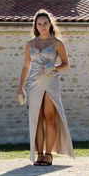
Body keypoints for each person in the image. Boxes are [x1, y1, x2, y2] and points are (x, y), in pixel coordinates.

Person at [16, 9, 74, 165]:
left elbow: (66, 64)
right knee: (37, 118)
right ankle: (39, 154)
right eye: (39, 23)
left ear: (50, 24)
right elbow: (26, 67)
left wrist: (53, 67)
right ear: (35, 25)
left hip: (50, 82)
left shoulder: (57, 43)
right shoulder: (30, 44)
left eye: (45, 23)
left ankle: (48, 154)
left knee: (49, 118)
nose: (42, 26)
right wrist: (20, 87)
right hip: (34, 83)